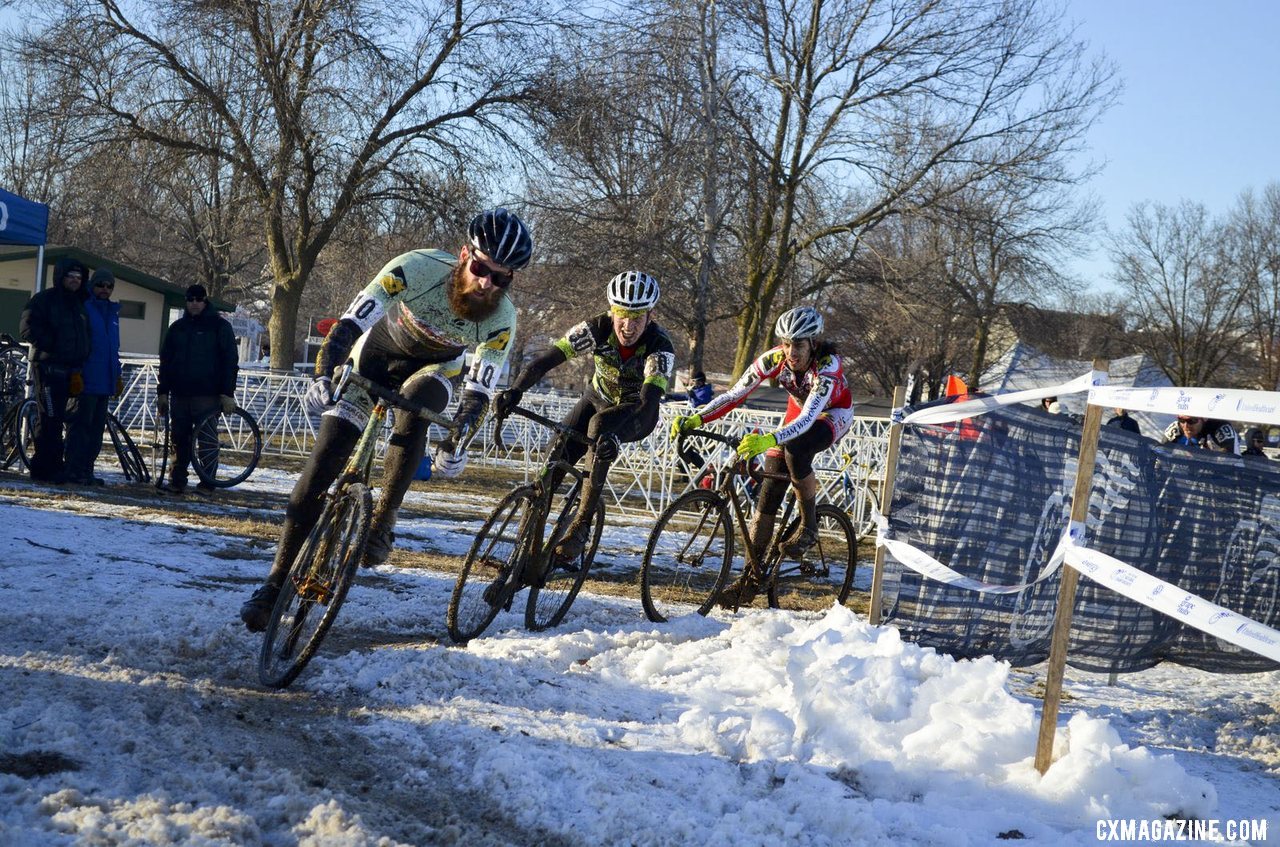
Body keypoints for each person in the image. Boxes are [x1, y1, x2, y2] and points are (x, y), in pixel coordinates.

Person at [240, 208, 532, 632]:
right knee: (322, 464)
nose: (487, 283)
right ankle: (273, 583)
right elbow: (349, 324)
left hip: (433, 374)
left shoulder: (502, 318)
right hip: (375, 359)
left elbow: (479, 391)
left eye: (501, 277)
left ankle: (383, 520)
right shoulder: (415, 267)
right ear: (464, 253)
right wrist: (324, 373)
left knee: (417, 405)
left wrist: (459, 441)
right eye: (482, 267)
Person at [671, 306, 853, 606]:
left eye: (798, 344)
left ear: (813, 343)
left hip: (832, 413)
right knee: (767, 493)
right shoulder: (774, 359)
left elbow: (808, 421)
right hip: (798, 414)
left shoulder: (828, 365)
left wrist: (770, 437)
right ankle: (750, 578)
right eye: (786, 343)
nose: (790, 351)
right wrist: (697, 418)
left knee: (796, 450)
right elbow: (735, 395)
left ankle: (808, 526)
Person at [492, 270, 675, 566]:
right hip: (596, 399)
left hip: (636, 412)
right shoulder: (595, 328)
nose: (628, 327)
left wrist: (617, 436)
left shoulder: (660, 346)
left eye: (637, 319)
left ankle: (581, 525)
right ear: (611, 312)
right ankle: (520, 556)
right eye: (622, 317)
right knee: (554, 459)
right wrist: (515, 391)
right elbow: (547, 360)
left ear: (650, 316)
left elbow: (649, 401)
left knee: (600, 427)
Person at [156, 284, 240, 494]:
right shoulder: (177, 328)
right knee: (178, 439)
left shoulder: (220, 327)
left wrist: (227, 393)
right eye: (190, 299)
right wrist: (163, 391)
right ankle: (177, 481)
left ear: (205, 301)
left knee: (207, 441)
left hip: (208, 395)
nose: (194, 303)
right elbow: (165, 361)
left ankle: (207, 483)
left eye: (198, 299)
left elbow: (230, 361)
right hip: (180, 394)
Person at [19, 257, 91, 483]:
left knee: (59, 419)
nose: (75, 281)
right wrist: (52, 345)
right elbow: (27, 328)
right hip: (48, 369)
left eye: (79, 278)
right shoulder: (44, 300)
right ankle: (44, 469)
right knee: (48, 419)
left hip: (71, 372)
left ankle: (55, 467)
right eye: (70, 276)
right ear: (61, 276)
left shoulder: (79, 304)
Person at [65, 269, 122, 485]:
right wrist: (76, 372)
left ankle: (87, 470)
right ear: (92, 286)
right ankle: (73, 469)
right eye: (101, 285)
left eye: (109, 286)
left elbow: (113, 348)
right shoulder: (85, 308)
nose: (105, 289)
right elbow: (78, 344)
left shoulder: (113, 313)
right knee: (80, 428)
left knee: (96, 432)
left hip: (104, 382)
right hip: (86, 381)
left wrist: (116, 376)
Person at [1162, 415, 1238, 453]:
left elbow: (1231, 463)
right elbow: (1160, 457)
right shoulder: (1175, 429)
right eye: (1181, 420)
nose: (1185, 426)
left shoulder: (1219, 428)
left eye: (1191, 421)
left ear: (1204, 419)